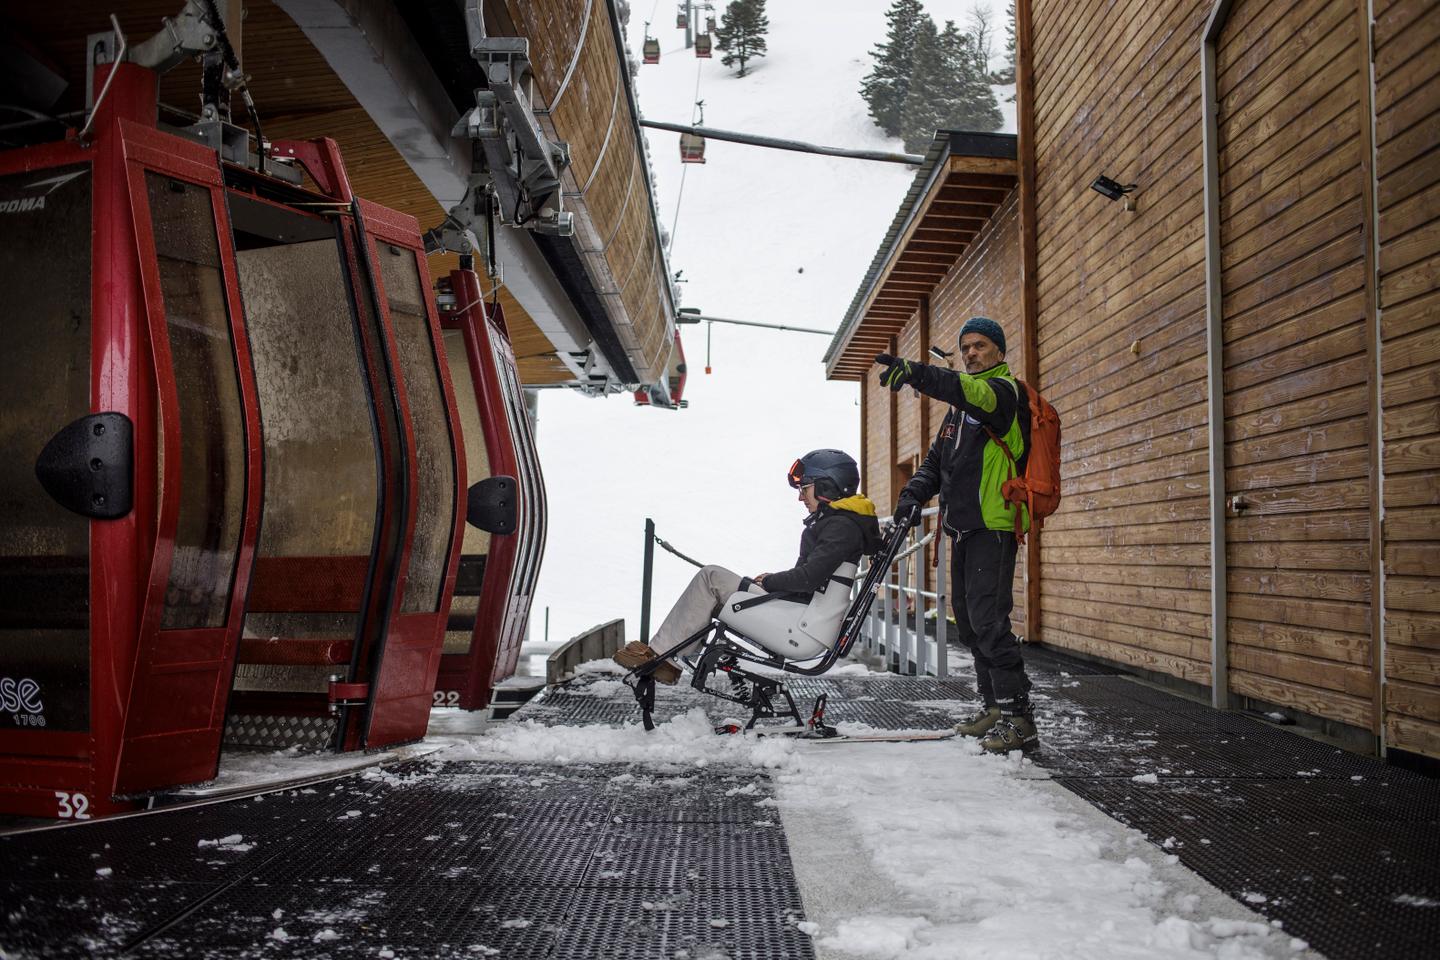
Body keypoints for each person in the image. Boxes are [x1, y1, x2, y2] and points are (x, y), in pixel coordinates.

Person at [875, 317, 1038, 753]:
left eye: (980, 345)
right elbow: (935, 461)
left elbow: (965, 389)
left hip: (993, 527)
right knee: (968, 624)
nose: (970, 354)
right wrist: (912, 495)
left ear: (999, 351)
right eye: (965, 347)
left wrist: (917, 373)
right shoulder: (959, 413)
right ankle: (995, 708)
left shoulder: (1003, 394)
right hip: (962, 529)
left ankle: (1020, 718)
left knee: (989, 623)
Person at [614, 449, 881, 681]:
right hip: (803, 615)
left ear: (827, 487)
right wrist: (770, 582)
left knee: (711, 578)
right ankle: (666, 656)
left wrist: (771, 581)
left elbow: (809, 578)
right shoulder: (842, 523)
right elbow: (813, 577)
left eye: (805, 488)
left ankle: (663, 657)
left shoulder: (841, 526)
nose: (801, 498)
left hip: (803, 628)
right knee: (713, 578)